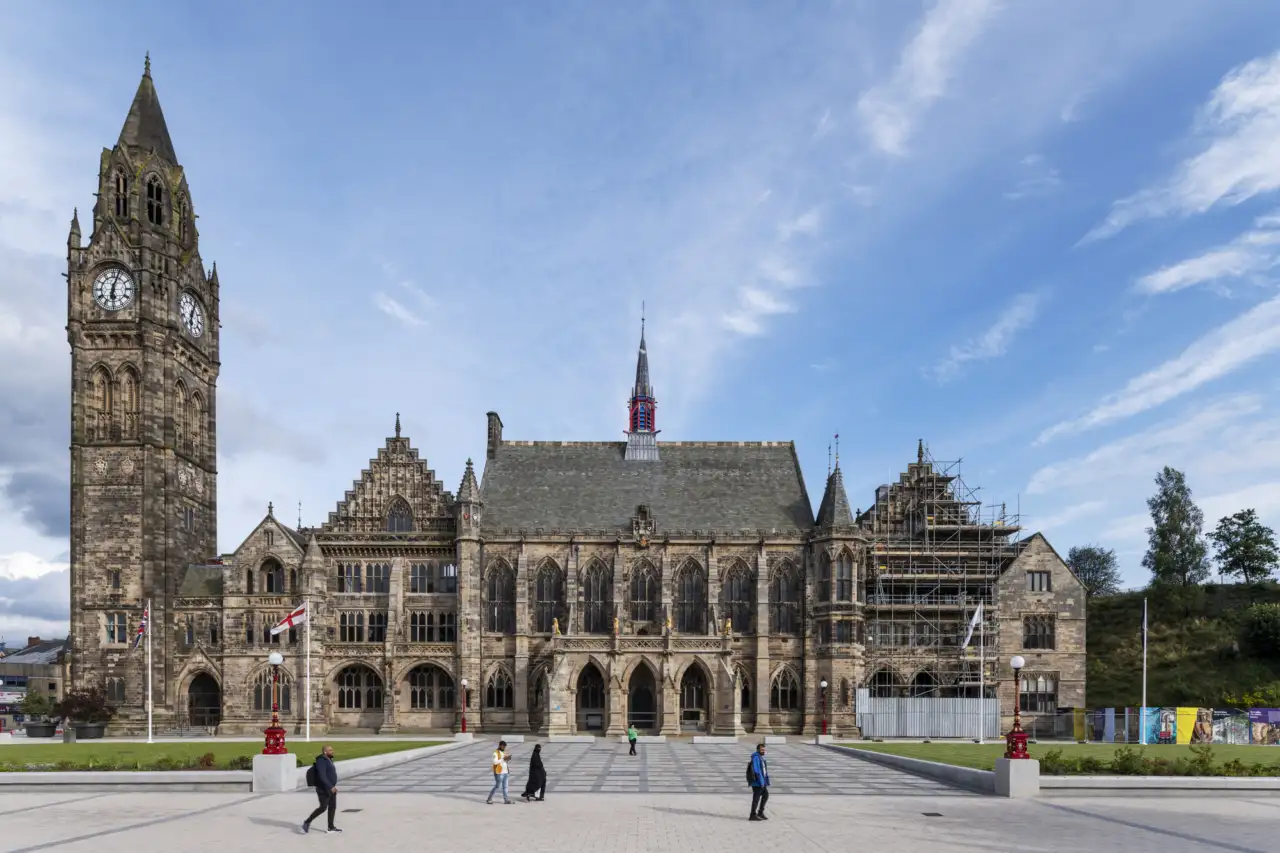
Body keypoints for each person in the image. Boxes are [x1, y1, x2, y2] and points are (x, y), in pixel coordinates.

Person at [302, 744, 342, 834]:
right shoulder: (321, 761)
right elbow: (322, 775)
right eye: (330, 750)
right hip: (323, 788)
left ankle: (331, 827)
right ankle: (307, 822)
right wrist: (330, 786)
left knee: (332, 807)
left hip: (331, 787)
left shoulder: (328, 760)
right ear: (325, 752)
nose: (333, 751)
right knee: (323, 807)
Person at [747, 742, 769, 821]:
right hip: (757, 782)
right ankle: (752, 815)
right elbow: (757, 771)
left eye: (764, 750)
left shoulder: (760, 757)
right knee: (756, 798)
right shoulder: (756, 757)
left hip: (762, 782)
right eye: (762, 750)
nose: (763, 751)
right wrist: (761, 782)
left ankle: (760, 812)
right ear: (758, 750)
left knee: (765, 795)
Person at [487, 740, 512, 804]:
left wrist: (507, 759)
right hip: (499, 772)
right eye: (503, 746)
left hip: (505, 772)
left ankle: (506, 800)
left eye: (505, 747)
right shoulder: (495, 753)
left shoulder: (504, 752)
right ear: (500, 745)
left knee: (505, 786)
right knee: (497, 786)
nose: (504, 748)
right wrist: (503, 759)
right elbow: (495, 762)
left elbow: (504, 762)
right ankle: (489, 798)